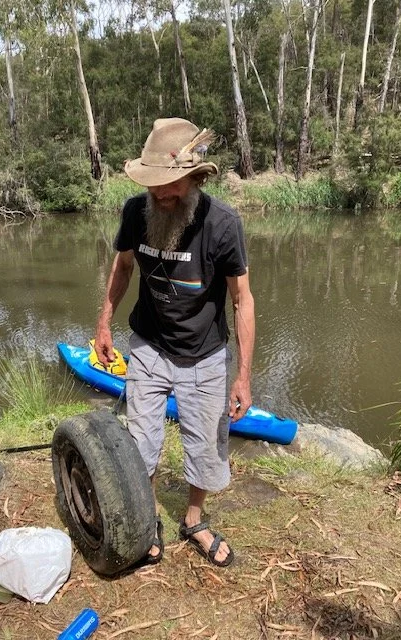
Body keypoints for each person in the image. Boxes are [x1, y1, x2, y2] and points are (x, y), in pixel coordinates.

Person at [94, 117, 255, 567]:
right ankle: (148, 522)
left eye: (171, 187)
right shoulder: (134, 212)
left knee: (205, 446)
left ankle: (194, 520)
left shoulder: (222, 224)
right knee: (141, 444)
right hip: (148, 345)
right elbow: (123, 267)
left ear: (195, 177)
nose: (162, 195)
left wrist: (242, 374)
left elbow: (242, 301)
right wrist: (104, 323)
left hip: (205, 354)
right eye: (154, 188)